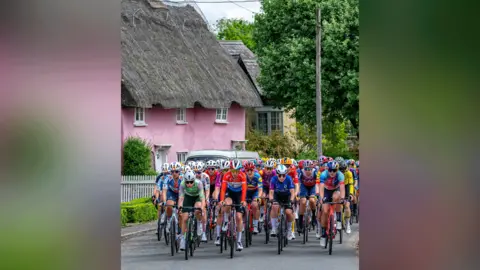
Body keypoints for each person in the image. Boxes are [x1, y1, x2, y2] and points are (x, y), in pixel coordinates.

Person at [218, 159, 247, 251]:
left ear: (239, 170)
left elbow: (244, 190)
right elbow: (223, 189)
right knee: (227, 204)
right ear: (230, 169)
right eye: (233, 171)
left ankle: (238, 241)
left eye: (237, 171)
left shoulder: (242, 176)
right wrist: (222, 200)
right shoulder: (226, 175)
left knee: (239, 217)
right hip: (229, 193)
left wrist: (243, 200)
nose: (234, 173)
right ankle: (226, 221)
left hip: (239, 195)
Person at [318, 161, 345, 246]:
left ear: (337, 170)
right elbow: (321, 187)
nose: (332, 172)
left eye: (334, 170)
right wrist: (321, 198)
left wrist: (343, 198)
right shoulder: (323, 174)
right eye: (330, 170)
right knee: (325, 211)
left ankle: (338, 218)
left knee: (337, 197)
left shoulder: (340, 175)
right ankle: (323, 233)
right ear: (327, 169)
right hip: (326, 191)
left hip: (335, 190)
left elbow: (342, 188)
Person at [178, 171, 206, 250]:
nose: (189, 184)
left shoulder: (199, 183)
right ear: (185, 181)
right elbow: (181, 198)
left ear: (194, 180)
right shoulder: (182, 184)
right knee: (184, 218)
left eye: (191, 182)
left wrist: (202, 209)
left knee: (198, 207)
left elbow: (202, 198)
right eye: (187, 182)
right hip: (188, 197)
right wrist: (180, 207)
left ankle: (199, 223)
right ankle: (183, 239)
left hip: (197, 197)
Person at [269, 164, 295, 240]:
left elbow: (292, 192)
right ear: (277, 174)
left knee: (288, 212)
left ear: (286, 174)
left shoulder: (289, 179)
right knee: (274, 206)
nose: (281, 177)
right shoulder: (273, 179)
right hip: (277, 196)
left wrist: (291, 200)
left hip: (287, 196)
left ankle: (290, 230)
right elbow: (271, 192)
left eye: (283, 175)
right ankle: (274, 228)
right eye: (279, 175)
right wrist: (271, 200)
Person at [297, 160, 319, 234]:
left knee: (312, 200)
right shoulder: (301, 172)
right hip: (304, 187)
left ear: (312, 168)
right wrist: (298, 192)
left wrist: (318, 192)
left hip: (313, 187)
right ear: (303, 168)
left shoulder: (315, 172)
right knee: (303, 202)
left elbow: (318, 183)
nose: (307, 171)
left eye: (309, 169)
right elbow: (298, 183)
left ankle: (313, 216)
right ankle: (300, 221)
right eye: (306, 169)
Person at [162, 162, 183, 235]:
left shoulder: (183, 178)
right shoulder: (168, 178)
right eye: (172, 172)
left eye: (176, 171)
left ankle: (180, 229)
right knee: (169, 204)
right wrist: (164, 202)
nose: (174, 173)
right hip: (172, 193)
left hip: (181, 194)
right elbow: (164, 191)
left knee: (181, 212)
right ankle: (168, 220)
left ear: (180, 172)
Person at [192, 162, 210, 242]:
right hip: (193, 195)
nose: (197, 174)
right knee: (196, 210)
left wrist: (206, 199)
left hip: (202, 194)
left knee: (203, 210)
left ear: (202, 171)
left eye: (199, 172)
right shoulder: (191, 177)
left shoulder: (205, 177)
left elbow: (207, 190)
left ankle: (203, 233)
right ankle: (198, 222)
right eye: (195, 172)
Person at [244, 161, 263, 234]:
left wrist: (258, 197)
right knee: (243, 205)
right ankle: (243, 223)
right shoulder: (243, 176)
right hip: (246, 192)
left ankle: (255, 225)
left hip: (255, 192)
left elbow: (260, 189)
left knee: (255, 205)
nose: (249, 172)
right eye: (247, 170)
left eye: (251, 170)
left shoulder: (257, 176)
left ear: (253, 170)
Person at [339, 160, 354, 234]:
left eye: (344, 169)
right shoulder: (336, 173)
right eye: (341, 169)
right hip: (338, 186)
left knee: (347, 206)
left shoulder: (349, 173)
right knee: (338, 205)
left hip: (346, 186)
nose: (343, 171)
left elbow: (351, 184)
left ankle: (348, 224)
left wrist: (351, 194)